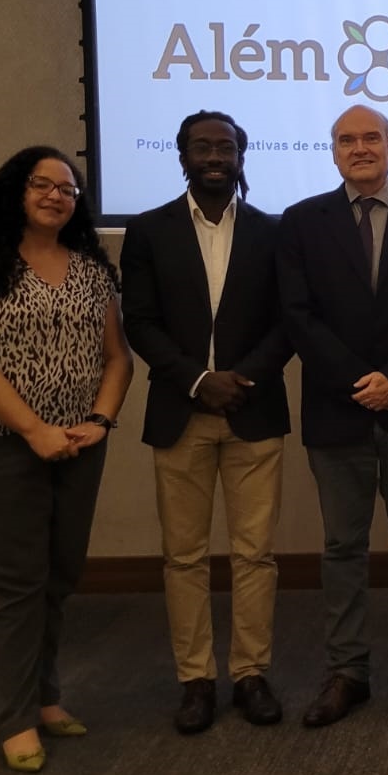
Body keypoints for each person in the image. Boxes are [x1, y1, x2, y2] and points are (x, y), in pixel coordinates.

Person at [0, 146, 133, 772]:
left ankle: (47, 698)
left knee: (59, 574)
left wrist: (100, 421)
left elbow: (118, 358)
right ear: (13, 191)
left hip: (77, 446)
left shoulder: (91, 271)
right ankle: (15, 718)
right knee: (14, 583)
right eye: (42, 184)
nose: (56, 196)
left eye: (68, 190)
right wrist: (33, 429)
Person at [277, 105, 388, 728]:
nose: (360, 148)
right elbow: (298, 316)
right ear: (332, 152)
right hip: (338, 408)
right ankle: (347, 672)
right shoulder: (301, 221)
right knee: (341, 548)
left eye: (371, 138)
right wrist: (361, 381)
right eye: (347, 139)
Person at [120, 111, 294, 735]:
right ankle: (195, 680)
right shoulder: (148, 231)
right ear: (182, 155)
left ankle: (251, 674)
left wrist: (239, 378)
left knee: (255, 555)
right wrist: (198, 379)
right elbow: (139, 321)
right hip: (180, 412)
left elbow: (288, 321)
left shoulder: (274, 233)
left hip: (254, 411)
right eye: (203, 146)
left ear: (243, 156)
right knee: (184, 557)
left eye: (226, 146)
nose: (214, 155)